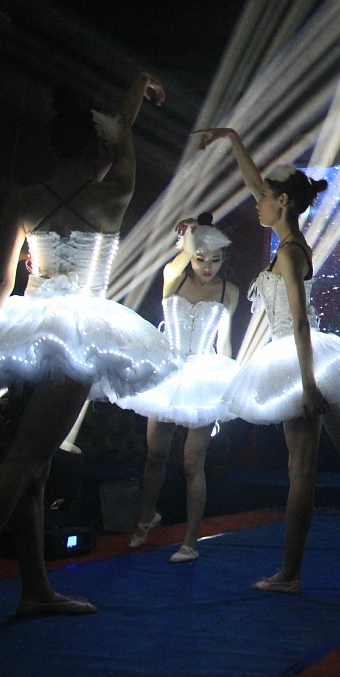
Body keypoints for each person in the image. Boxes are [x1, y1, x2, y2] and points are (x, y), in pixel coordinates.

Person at [0, 74, 172, 654]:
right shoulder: (114, 193)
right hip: (79, 333)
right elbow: (123, 137)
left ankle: (35, 588)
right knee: (23, 459)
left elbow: (0, 283)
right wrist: (138, 89)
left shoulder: (24, 199)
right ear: (98, 149)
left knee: (34, 465)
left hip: (27, 327)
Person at [196, 127, 340, 591]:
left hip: (300, 359)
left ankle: (291, 574)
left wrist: (309, 384)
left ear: (283, 203)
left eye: (265, 197)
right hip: (306, 357)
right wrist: (233, 138)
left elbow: (298, 322)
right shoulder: (288, 240)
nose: (256, 202)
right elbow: (255, 183)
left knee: (302, 471)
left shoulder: (292, 252)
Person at [116, 213, 240, 562]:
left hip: (204, 376)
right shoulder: (173, 276)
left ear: (224, 259)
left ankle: (191, 541)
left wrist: (227, 387)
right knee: (155, 454)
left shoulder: (228, 291)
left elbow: (224, 343)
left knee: (191, 462)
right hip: (167, 371)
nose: (207, 266)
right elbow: (183, 255)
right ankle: (146, 518)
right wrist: (191, 232)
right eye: (201, 258)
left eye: (215, 260)